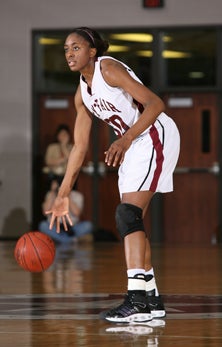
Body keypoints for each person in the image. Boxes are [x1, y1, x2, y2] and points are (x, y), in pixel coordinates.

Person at [46, 27, 180, 323]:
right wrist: (63, 194)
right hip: (133, 142)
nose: (69, 53)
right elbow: (79, 148)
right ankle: (151, 299)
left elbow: (156, 104)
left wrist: (126, 138)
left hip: (153, 134)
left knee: (127, 214)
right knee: (130, 220)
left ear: (92, 51)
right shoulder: (81, 95)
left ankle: (136, 300)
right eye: (66, 49)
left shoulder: (109, 68)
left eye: (76, 48)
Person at [39, 179, 93, 243]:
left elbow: (77, 213)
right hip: (55, 227)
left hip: (72, 227)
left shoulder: (77, 195)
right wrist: (53, 192)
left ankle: (61, 239)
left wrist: (67, 195)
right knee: (43, 225)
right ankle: (70, 240)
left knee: (88, 225)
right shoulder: (50, 194)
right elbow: (45, 211)